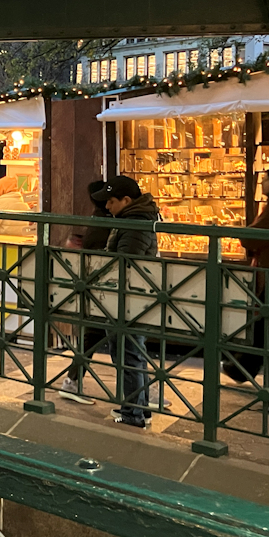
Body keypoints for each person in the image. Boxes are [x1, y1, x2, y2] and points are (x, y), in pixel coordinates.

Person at [94, 175, 159, 428]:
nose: (107, 207)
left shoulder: (134, 223)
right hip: (132, 296)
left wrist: (100, 260)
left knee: (126, 353)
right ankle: (138, 406)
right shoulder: (135, 219)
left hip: (126, 297)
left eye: (111, 202)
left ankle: (133, 413)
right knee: (133, 352)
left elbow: (124, 262)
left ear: (126, 200)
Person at [60, 180, 114, 404]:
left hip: (98, 286)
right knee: (121, 338)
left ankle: (71, 381)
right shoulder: (106, 220)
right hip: (106, 287)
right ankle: (140, 392)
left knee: (99, 336)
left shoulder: (98, 218)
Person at [227, 169, 269, 383]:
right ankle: (243, 368)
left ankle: (243, 368)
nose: (262, 183)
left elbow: (251, 237)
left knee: (265, 320)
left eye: (265, 179)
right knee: (266, 321)